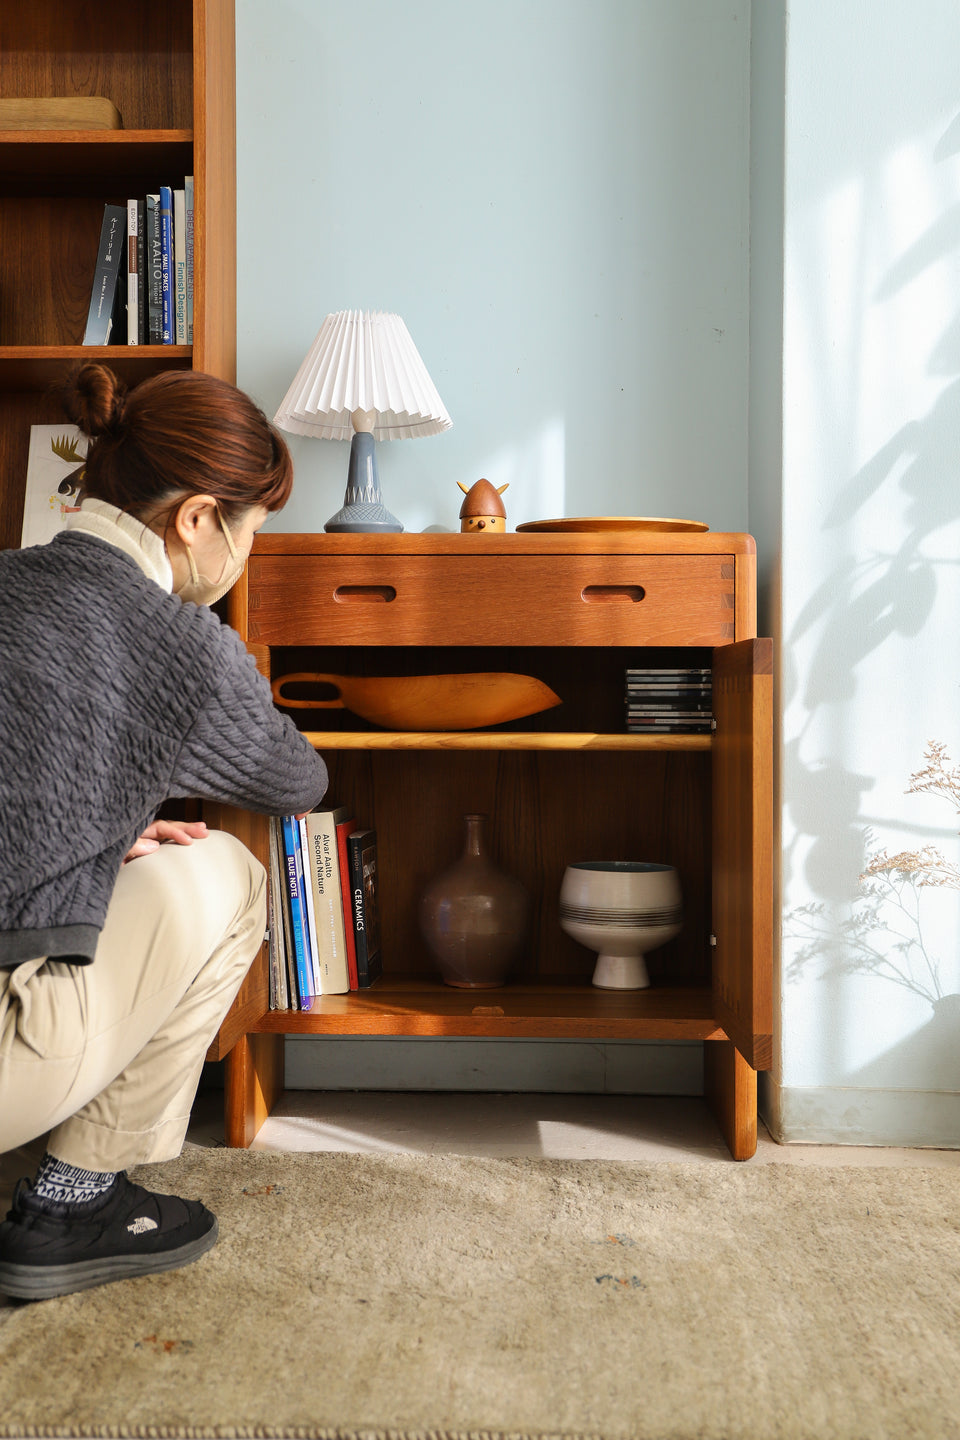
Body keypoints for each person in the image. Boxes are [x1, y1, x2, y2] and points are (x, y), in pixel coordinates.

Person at [0, 362, 328, 1301]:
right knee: (228, 867)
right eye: (253, 531)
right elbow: (297, 781)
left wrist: (98, 826)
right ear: (198, 519)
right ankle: (73, 1205)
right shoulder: (182, 643)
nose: (247, 556)